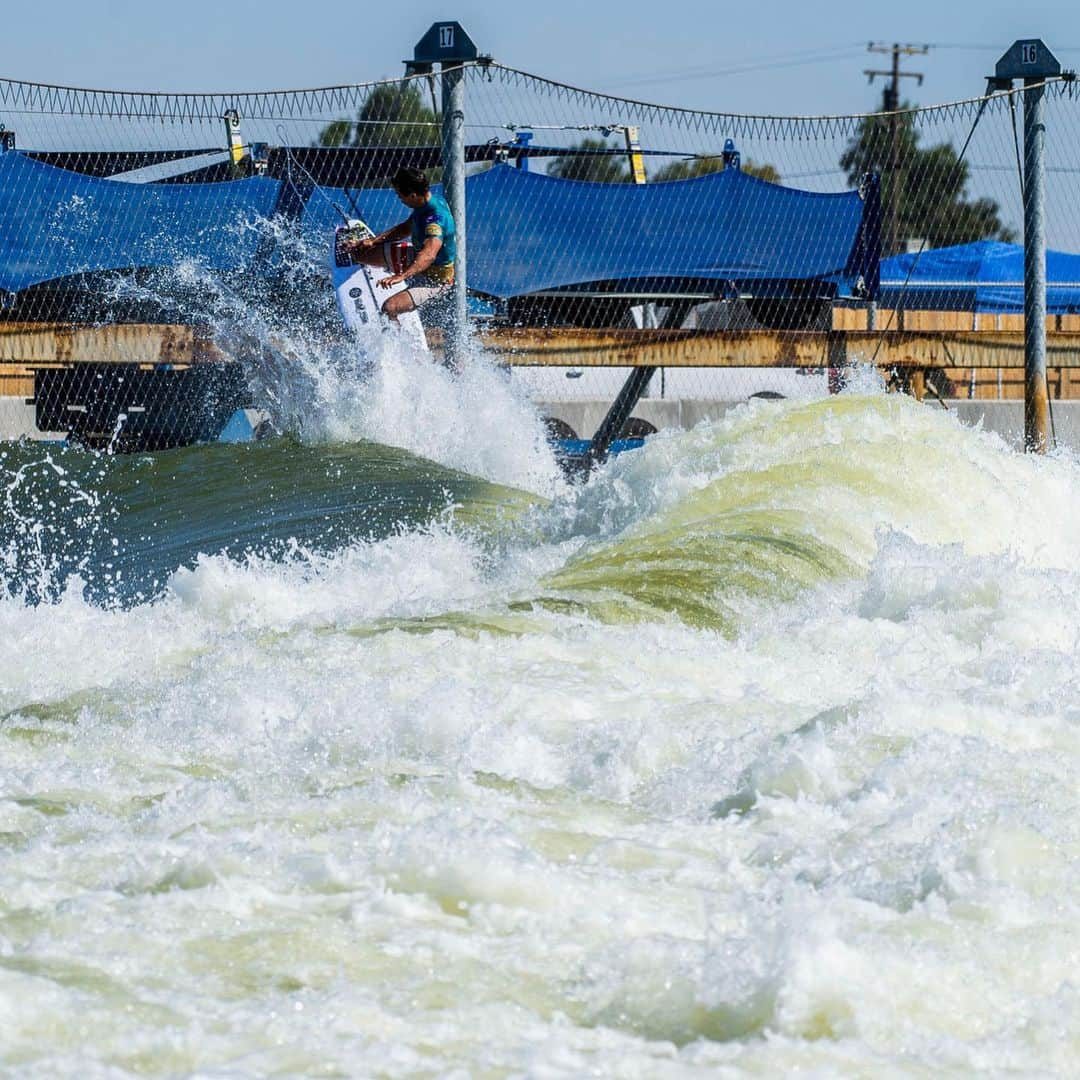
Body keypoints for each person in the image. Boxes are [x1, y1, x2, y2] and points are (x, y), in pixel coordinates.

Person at [340, 166, 456, 325]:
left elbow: (429, 255)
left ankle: (397, 345)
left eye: (401, 196)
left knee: (390, 308)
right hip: (415, 256)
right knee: (360, 254)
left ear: (413, 195)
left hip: (435, 279)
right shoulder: (426, 203)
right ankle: (370, 264)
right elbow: (406, 227)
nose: (399, 199)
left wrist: (401, 276)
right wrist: (373, 241)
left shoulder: (435, 220)